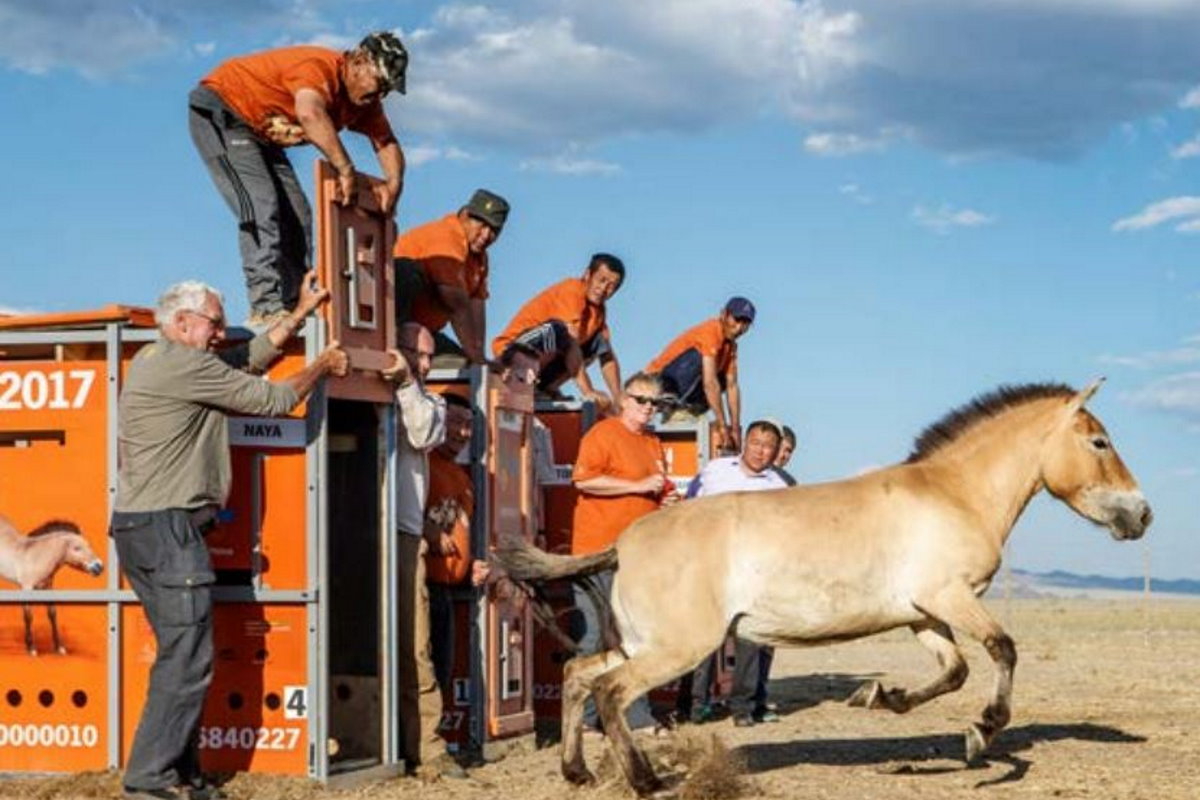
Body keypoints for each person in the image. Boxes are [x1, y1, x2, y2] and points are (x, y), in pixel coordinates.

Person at [112, 274, 348, 800]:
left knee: (182, 653)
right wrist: (323, 366)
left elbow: (243, 365)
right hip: (170, 529)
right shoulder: (184, 364)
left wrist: (299, 314)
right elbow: (274, 399)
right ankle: (147, 780)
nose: (222, 332)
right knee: (188, 658)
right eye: (215, 323)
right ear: (181, 323)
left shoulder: (161, 360)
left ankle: (183, 774)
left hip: (143, 527)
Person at [188, 32, 408, 324]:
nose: (379, 95)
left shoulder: (364, 104)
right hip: (225, 111)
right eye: (379, 83)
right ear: (358, 61)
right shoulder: (318, 68)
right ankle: (265, 306)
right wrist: (344, 169)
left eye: (387, 90)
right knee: (261, 204)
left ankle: (294, 304)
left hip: (260, 136)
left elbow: (386, 141)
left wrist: (394, 183)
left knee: (297, 213)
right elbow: (309, 113)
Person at [381, 322, 466, 779]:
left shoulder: (427, 400)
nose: (426, 364)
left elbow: (422, 433)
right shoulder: (372, 389)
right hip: (356, 531)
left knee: (416, 645)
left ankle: (429, 752)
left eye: (431, 356)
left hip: (403, 532)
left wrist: (407, 383)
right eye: (419, 353)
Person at [570, 372, 675, 731]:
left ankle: (633, 714)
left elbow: (656, 490)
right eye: (642, 400)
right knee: (594, 638)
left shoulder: (652, 442)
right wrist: (638, 485)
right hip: (596, 551)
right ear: (624, 400)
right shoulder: (602, 434)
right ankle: (585, 720)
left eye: (655, 403)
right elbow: (584, 480)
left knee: (634, 636)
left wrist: (665, 498)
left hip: (635, 557)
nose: (649, 408)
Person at [684, 419, 787, 728]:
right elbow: (689, 505)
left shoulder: (779, 486)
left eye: (768, 446)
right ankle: (695, 706)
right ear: (745, 442)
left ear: (775, 452)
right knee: (702, 638)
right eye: (755, 443)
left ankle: (742, 707)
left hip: (752, 573)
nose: (760, 451)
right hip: (709, 564)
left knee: (750, 640)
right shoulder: (715, 470)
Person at [492, 254, 625, 411]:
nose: (603, 289)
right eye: (601, 280)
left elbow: (607, 356)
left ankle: (544, 388)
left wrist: (619, 400)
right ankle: (521, 378)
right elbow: (570, 342)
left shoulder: (599, 311)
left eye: (611, 286)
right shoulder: (572, 289)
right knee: (560, 331)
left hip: (540, 363)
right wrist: (588, 391)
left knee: (597, 341)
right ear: (588, 275)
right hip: (512, 351)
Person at [394, 189, 510, 366]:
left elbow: (476, 304)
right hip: (397, 322)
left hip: (425, 331)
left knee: (461, 367)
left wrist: (478, 355)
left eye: (494, 230)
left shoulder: (479, 258)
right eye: (482, 224)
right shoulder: (447, 237)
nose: (486, 235)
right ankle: (392, 339)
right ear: (464, 216)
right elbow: (456, 303)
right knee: (407, 271)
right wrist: (476, 357)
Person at [647, 297, 755, 453]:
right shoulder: (710, 331)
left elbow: (732, 386)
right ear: (724, 314)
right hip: (658, 380)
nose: (739, 328)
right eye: (737, 320)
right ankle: (670, 402)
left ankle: (687, 410)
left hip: (687, 387)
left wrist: (735, 429)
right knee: (703, 362)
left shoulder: (730, 346)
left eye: (745, 324)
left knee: (724, 377)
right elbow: (710, 383)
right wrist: (722, 425)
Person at [424, 393, 474, 692]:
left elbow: (461, 528)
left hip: (448, 587)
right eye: (455, 422)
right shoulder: (422, 465)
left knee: (443, 669)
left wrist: (473, 564)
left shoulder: (461, 477)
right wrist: (427, 532)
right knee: (427, 668)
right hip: (424, 585)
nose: (462, 433)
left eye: (468, 425)